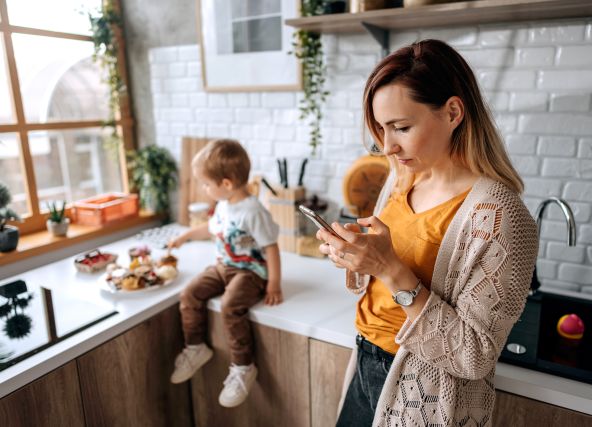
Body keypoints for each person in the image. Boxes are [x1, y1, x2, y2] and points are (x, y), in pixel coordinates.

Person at [316, 39, 539, 426]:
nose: (388, 147)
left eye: (401, 127)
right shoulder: (404, 177)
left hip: (424, 392)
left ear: (453, 112)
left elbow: (474, 354)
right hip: (364, 362)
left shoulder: (502, 217)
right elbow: (384, 277)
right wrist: (357, 255)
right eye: (380, 131)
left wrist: (388, 267)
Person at [168, 138, 282, 408]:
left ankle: (243, 366)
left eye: (207, 184)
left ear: (226, 184)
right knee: (190, 293)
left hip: (250, 272)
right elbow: (210, 229)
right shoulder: (223, 205)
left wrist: (274, 284)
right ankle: (196, 347)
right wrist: (185, 236)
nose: (205, 189)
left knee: (230, 305)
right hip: (224, 266)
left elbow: (271, 247)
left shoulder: (253, 211)